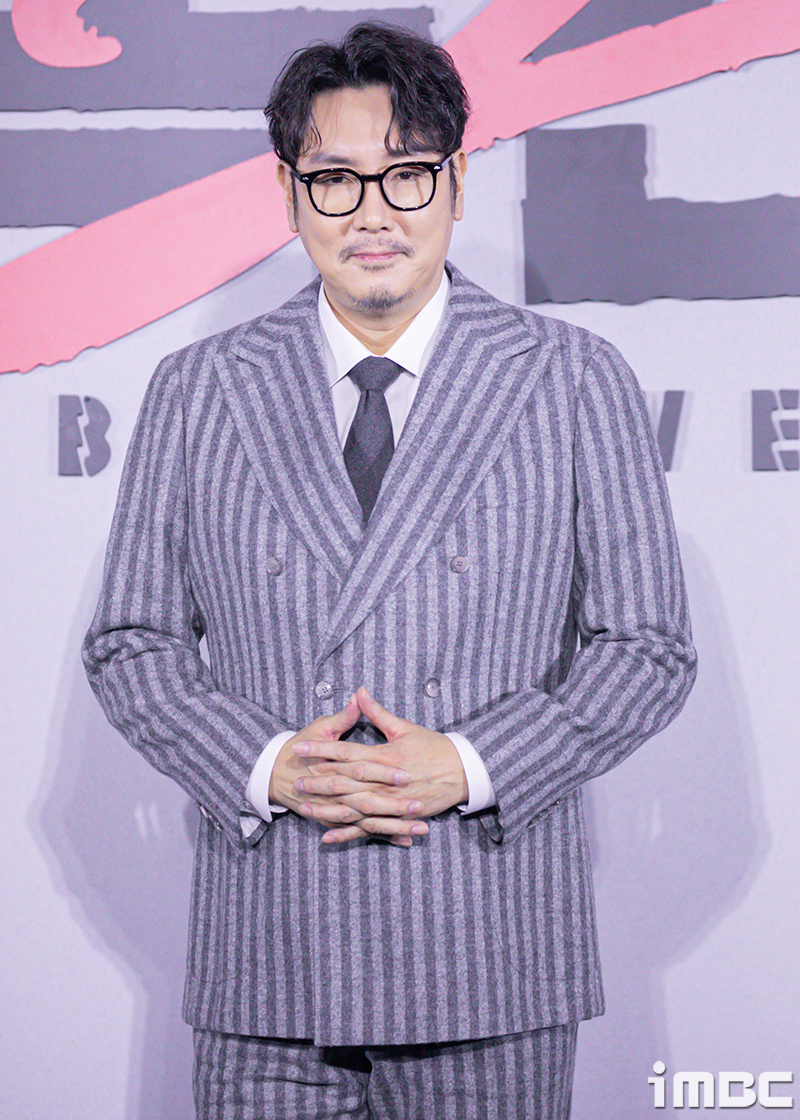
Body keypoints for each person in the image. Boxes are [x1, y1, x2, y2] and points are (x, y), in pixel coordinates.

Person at [82, 21, 697, 1120]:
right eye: (335, 179)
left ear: (456, 180)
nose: (373, 213)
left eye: (406, 173)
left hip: (488, 948)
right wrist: (265, 764)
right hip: (270, 954)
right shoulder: (200, 387)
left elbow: (645, 646)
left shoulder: (569, 379)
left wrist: (472, 763)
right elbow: (133, 641)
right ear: (288, 193)